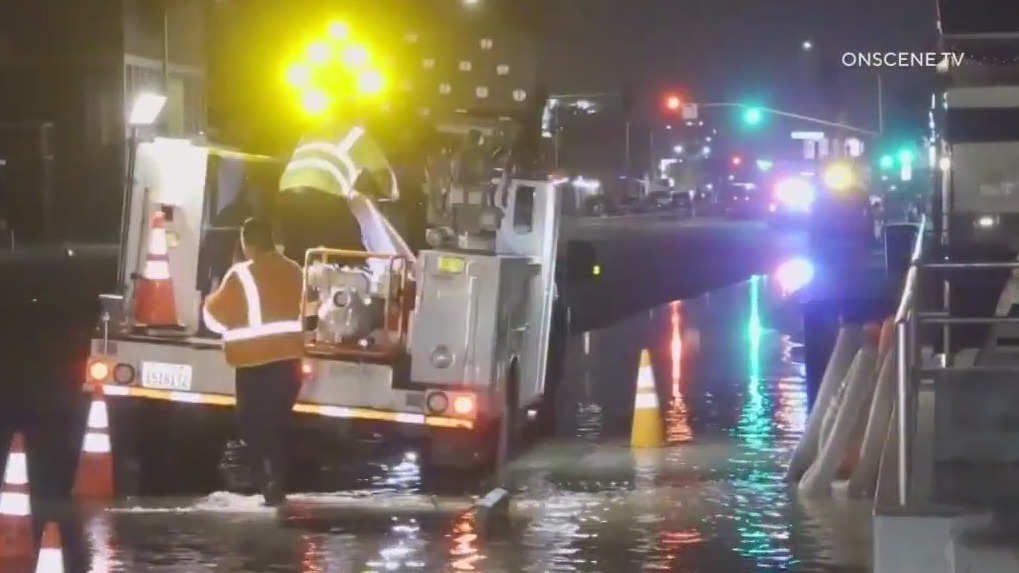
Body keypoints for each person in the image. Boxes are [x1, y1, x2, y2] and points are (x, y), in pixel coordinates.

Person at [201, 217, 305, 506]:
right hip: (288, 364)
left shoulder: (241, 274)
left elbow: (214, 318)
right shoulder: (295, 269)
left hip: (254, 363)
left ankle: (270, 487)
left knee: (253, 425)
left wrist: (209, 301)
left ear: (247, 243)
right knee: (275, 425)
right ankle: (275, 485)